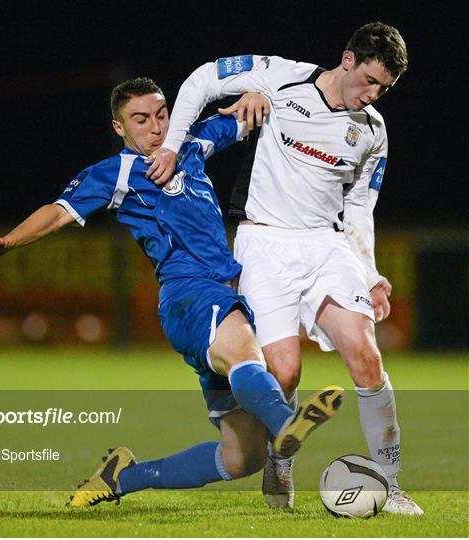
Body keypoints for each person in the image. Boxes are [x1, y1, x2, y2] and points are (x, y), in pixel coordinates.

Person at [0, 77, 344, 508]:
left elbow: (249, 117)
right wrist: (9, 242)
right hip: (190, 294)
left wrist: (261, 96)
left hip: (212, 302)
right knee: (244, 352)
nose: (156, 127)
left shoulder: (191, 144)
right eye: (140, 120)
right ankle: (286, 421)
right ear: (119, 128)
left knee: (243, 458)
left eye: (161, 115)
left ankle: (124, 476)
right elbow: (57, 213)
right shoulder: (117, 172)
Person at [145, 22, 423, 515]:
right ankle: (280, 459)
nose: (373, 94)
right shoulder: (281, 78)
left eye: (384, 88)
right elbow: (204, 79)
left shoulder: (373, 130)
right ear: (347, 60)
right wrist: (171, 146)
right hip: (264, 243)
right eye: (369, 81)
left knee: (365, 354)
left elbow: (359, 206)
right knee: (284, 373)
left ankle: (391, 482)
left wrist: (372, 272)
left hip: (326, 246)